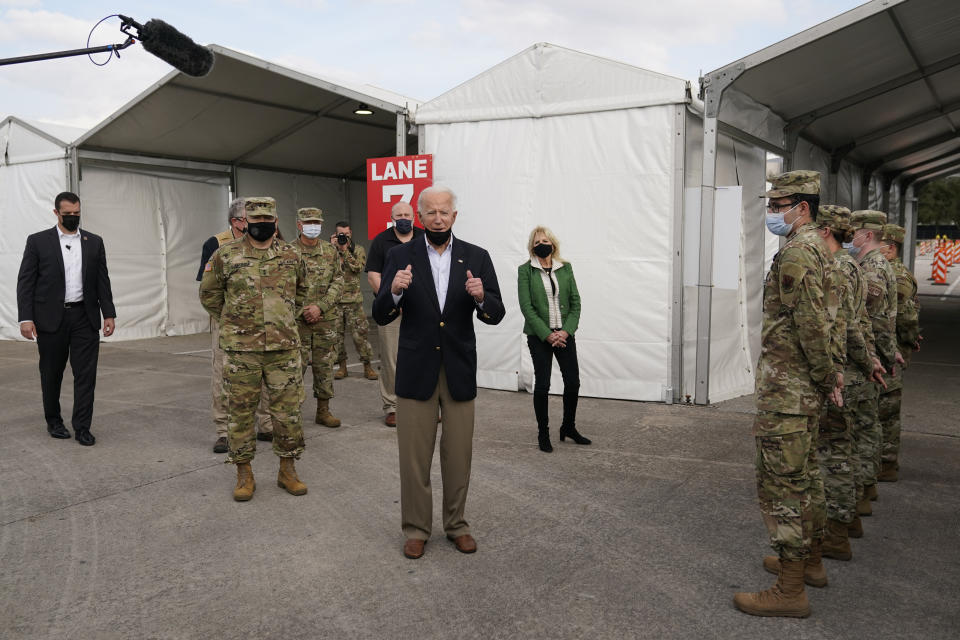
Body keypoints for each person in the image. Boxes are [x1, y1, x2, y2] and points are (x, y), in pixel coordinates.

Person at [373, 185, 505, 560]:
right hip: (417, 369)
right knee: (414, 457)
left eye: (444, 211)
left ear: (454, 216)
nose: (437, 217)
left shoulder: (476, 257)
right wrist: (394, 292)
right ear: (420, 216)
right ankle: (416, 529)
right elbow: (380, 313)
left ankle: (457, 525)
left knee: (458, 454)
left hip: (459, 368)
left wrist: (482, 298)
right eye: (430, 212)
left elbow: (496, 313)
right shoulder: (400, 254)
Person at [734, 171, 842, 618]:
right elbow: (829, 316)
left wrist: (823, 374)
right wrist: (828, 376)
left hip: (789, 390)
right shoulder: (819, 247)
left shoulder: (798, 251)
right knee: (806, 478)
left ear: (802, 208)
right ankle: (810, 562)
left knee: (783, 485)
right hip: (803, 389)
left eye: (779, 206)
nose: (772, 213)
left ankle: (790, 589)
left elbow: (811, 324)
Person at [199, 197, 310, 501]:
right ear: (245, 223)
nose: (261, 227)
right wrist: (233, 321)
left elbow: (302, 292)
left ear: (275, 223)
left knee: (287, 414)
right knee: (241, 413)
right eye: (256, 222)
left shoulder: (291, 255)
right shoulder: (226, 255)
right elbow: (209, 294)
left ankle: (287, 470)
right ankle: (244, 473)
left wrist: (284, 319)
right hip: (242, 350)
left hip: (283, 349)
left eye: (267, 222)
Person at [17, 191, 116, 446]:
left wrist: (109, 313)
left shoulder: (94, 242)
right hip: (50, 318)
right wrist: (26, 318)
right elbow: (26, 282)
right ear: (56, 213)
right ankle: (54, 421)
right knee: (52, 374)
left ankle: (83, 427)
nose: (73, 217)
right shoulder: (38, 241)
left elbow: (102, 281)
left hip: (85, 316)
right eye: (67, 214)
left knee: (86, 375)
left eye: (77, 213)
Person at [197, 198, 273, 454]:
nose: (259, 224)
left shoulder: (268, 241)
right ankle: (224, 430)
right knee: (223, 374)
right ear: (237, 221)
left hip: (263, 321)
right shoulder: (216, 244)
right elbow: (208, 290)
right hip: (228, 322)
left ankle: (265, 423)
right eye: (251, 219)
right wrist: (228, 316)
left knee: (263, 373)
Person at [517, 226, 589, 452]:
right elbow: (527, 308)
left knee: (573, 382)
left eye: (545, 240)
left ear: (553, 244)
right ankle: (543, 433)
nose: (541, 244)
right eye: (537, 242)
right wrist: (548, 335)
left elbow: (576, 303)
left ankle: (568, 427)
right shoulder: (525, 271)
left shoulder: (565, 269)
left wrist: (565, 331)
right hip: (539, 336)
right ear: (532, 247)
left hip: (564, 333)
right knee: (543, 384)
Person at [847, 210, 899, 520]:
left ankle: (861, 494)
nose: (849, 236)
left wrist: (880, 360)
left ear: (867, 235)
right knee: (867, 427)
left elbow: (875, 322)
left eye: (854, 231)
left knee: (861, 430)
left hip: (869, 361)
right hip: (873, 359)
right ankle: (865, 491)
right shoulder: (871, 265)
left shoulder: (873, 270)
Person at [366, 201, 424, 427]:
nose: (403, 218)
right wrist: (392, 299)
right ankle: (392, 407)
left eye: (407, 214)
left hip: (420, 309)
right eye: (398, 214)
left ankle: (423, 404)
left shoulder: (424, 238)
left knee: (423, 356)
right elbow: (373, 276)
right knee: (391, 359)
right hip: (391, 310)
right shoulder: (382, 241)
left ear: (414, 217)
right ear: (392, 218)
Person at [877, 224, 920, 482]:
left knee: (887, 411)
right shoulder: (888, 272)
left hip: (890, 351)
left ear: (890, 248)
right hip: (887, 349)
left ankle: (887, 464)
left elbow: (905, 317)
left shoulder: (897, 277)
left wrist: (910, 339)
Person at [295, 208, 344, 428]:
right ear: (299, 225)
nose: (313, 225)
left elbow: (339, 282)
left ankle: (323, 411)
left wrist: (320, 307)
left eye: (316, 222)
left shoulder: (330, 251)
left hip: (325, 320)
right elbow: (282, 289)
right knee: (295, 368)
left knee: (325, 367)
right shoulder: (288, 252)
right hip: (298, 322)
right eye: (308, 222)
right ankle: (291, 414)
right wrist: (304, 310)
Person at [331, 221, 378, 381]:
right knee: (337, 337)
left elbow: (358, 267)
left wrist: (345, 251)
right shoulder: (328, 249)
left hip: (353, 301)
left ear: (350, 233)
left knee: (360, 336)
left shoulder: (358, 249)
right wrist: (334, 249)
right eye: (340, 235)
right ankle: (342, 367)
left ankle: (367, 366)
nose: (344, 237)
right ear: (336, 235)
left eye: (346, 234)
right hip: (335, 301)